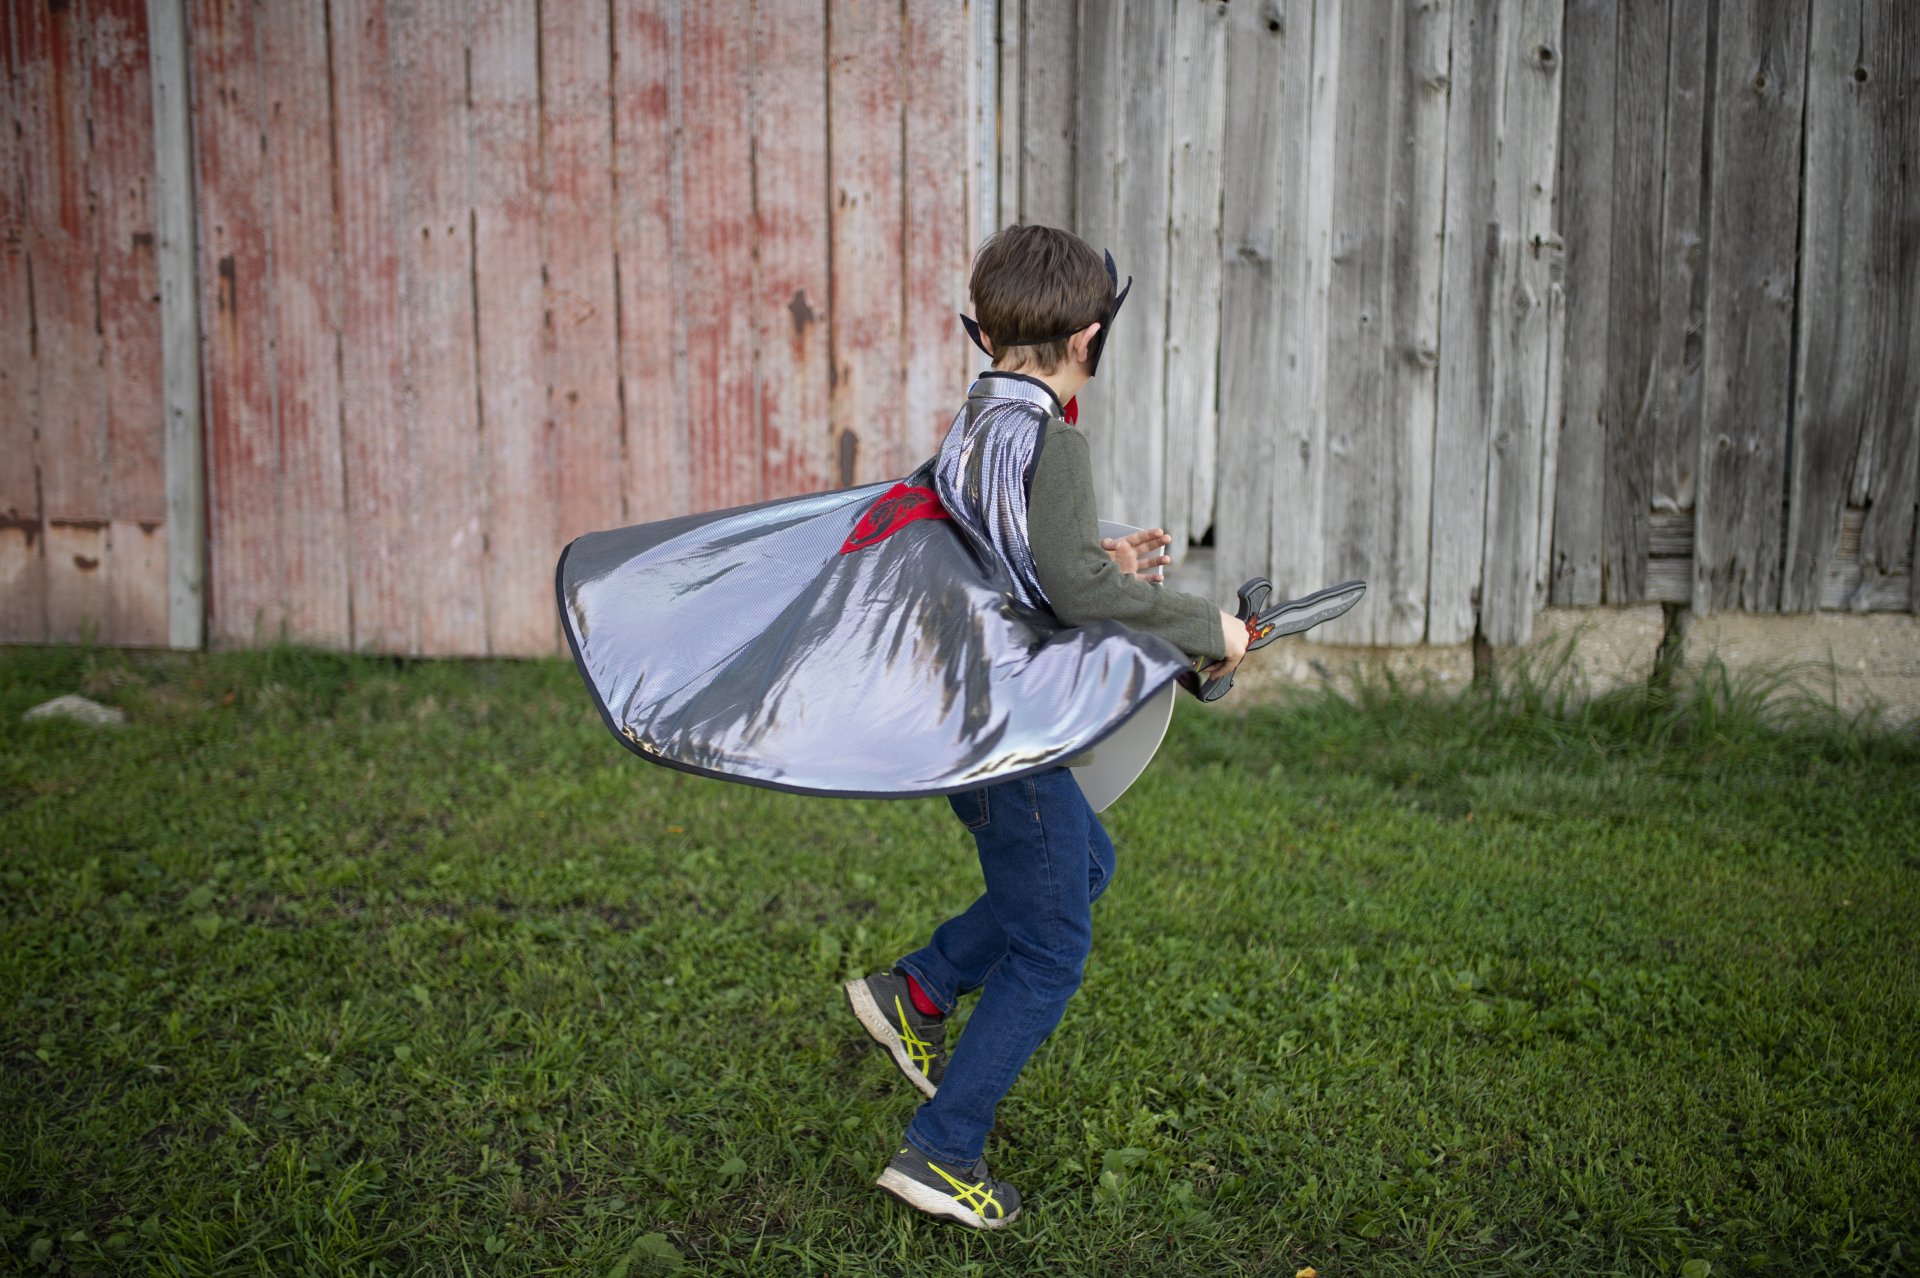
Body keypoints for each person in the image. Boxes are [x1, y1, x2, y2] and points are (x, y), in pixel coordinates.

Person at [843, 224, 1249, 1229]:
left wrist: (1096, 555)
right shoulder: (1054, 438)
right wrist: (1211, 628)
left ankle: (919, 993)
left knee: (1088, 864)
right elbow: (1073, 593)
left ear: (983, 333)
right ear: (1089, 339)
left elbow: (1005, 555)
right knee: (1054, 947)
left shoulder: (976, 421)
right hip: (1013, 736)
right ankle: (942, 1151)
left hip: (970, 724)